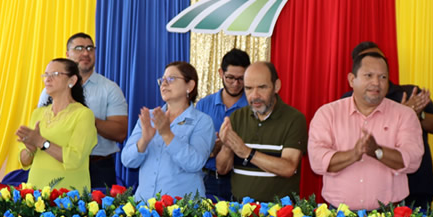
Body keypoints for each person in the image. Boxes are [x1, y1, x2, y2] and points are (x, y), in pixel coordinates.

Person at [309, 51, 424, 210]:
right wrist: (354, 154)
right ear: (351, 79)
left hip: (390, 215)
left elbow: (412, 160)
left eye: (382, 77)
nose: (376, 83)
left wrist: (378, 152)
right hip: (339, 214)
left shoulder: (404, 115)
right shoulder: (328, 114)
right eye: (369, 75)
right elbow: (317, 161)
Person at [342, 41, 433, 210]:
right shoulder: (347, 100)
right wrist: (402, 114)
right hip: (366, 192)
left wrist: (417, 115)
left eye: (380, 60)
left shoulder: (409, 92)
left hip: (415, 187)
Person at [38, 33, 128, 189]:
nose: (86, 53)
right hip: (56, 163)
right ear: (67, 54)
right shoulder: (49, 90)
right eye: (79, 48)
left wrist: (83, 119)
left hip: (98, 168)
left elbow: (120, 133)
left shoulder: (109, 89)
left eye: (90, 48)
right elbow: (40, 126)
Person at [121, 62, 215, 200]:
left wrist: (167, 134)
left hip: (181, 210)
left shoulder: (202, 121)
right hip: (145, 207)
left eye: (171, 79)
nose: (164, 84)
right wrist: (144, 141)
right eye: (162, 80)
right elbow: (127, 160)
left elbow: (195, 162)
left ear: (190, 85)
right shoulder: (150, 117)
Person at [215, 62, 307, 202]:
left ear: (276, 86)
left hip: (278, 216)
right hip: (239, 213)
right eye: (249, 88)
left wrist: (247, 152)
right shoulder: (237, 117)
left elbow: (288, 167)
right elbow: (222, 169)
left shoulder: (294, 119)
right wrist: (228, 144)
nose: (255, 95)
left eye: (262, 87)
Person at [16, 58, 97, 190]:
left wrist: (42, 142)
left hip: (67, 195)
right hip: (36, 193)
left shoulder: (83, 115)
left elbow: (75, 159)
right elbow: (24, 162)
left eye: (55, 74)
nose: (47, 79)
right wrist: (30, 149)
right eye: (46, 75)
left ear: (72, 80)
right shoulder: (37, 114)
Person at [194, 48, 250, 199]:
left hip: (241, 178)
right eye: (230, 78)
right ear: (220, 73)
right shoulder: (204, 104)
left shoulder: (253, 107)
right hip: (206, 177)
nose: (236, 84)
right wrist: (211, 147)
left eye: (241, 78)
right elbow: (191, 146)